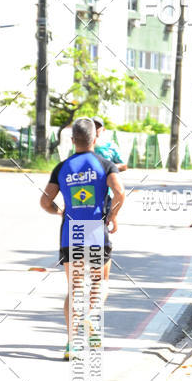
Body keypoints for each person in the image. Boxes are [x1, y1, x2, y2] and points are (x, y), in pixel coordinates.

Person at [40, 117, 125, 359]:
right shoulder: (105, 165)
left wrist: (61, 212)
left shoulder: (62, 167)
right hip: (96, 230)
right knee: (101, 281)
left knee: (75, 287)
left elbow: (45, 201)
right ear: (95, 138)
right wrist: (113, 215)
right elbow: (119, 192)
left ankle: (72, 344)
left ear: (72, 139)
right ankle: (91, 315)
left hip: (71, 231)